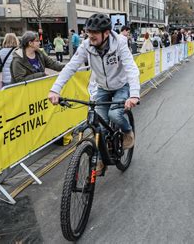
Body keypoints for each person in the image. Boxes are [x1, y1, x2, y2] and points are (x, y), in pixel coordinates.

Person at [48, 13, 140, 172]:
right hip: (102, 87)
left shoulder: (120, 43)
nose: (91, 36)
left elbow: (131, 68)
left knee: (115, 115)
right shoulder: (86, 46)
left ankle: (127, 132)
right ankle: (101, 158)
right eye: (89, 32)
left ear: (106, 33)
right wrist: (55, 89)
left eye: (95, 33)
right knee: (98, 125)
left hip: (121, 85)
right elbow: (70, 67)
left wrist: (134, 95)